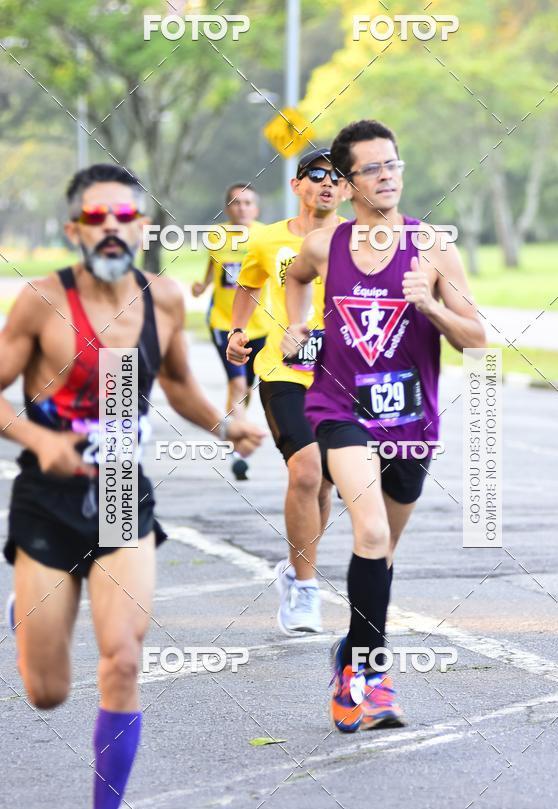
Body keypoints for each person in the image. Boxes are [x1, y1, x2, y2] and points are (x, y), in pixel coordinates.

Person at [1, 163, 263, 809]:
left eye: (125, 216)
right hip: (48, 500)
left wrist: (224, 425)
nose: (111, 228)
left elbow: (177, 382)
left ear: (145, 227)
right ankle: (31, 609)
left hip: (123, 493)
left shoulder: (166, 299)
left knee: (121, 658)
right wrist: (41, 440)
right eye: (96, 217)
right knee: (47, 689)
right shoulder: (40, 303)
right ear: (74, 229)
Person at [282, 120, 486, 731]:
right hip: (340, 409)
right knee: (369, 533)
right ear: (347, 184)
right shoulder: (326, 246)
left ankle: (351, 652)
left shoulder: (433, 248)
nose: (387, 176)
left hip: (411, 420)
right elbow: (294, 277)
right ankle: (369, 676)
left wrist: (428, 303)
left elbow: (478, 340)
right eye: (372, 169)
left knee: (384, 550)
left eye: (392, 164)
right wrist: (296, 325)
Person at [226, 148, 346, 636]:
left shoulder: (356, 239)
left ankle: (298, 569)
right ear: (297, 185)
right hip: (284, 369)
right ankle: (305, 587)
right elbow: (249, 286)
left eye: (337, 177)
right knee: (307, 469)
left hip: (340, 376)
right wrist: (238, 333)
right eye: (316, 175)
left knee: (322, 485)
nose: (327, 183)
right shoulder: (267, 239)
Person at [192, 183, 270, 480]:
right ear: (227, 208)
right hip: (225, 324)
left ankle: (237, 426)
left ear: (256, 208)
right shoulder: (216, 236)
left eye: (248, 202)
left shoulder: (267, 236)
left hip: (261, 325)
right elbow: (214, 270)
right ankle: (238, 452)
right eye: (236, 203)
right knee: (237, 385)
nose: (242, 208)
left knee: (246, 388)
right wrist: (202, 286)